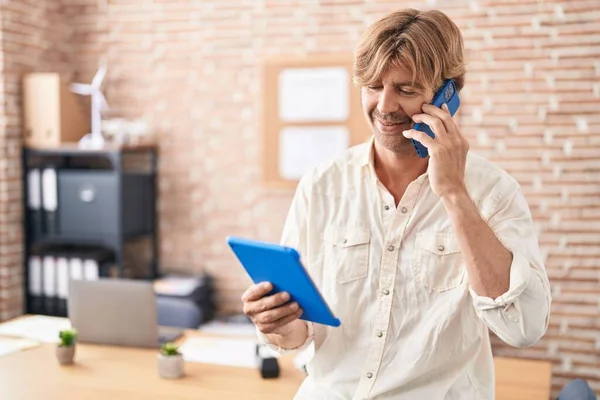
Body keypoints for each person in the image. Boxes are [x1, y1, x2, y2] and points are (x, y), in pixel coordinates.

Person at [241, 8, 552, 399]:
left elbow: (523, 327)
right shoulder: (322, 185)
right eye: (372, 86)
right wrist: (279, 325)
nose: (384, 107)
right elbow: (306, 336)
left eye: (406, 90)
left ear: (448, 93)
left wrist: (454, 193)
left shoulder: (493, 191)